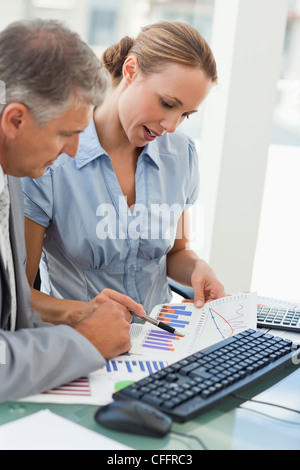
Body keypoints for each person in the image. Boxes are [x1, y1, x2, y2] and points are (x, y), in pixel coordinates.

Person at [22, 20, 225, 327]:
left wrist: (198, 267)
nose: (171, 125)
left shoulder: (182, 154)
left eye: (185, 114)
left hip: (162, 341)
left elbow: (177, 251)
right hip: (82, 344)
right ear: (131, 70)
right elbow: (18, 295)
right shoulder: (51, 159)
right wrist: (83, 311)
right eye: (167, 103)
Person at [0, 18, 146, 403]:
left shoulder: (12, 171)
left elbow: (9, 317)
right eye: (66, 134)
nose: (71, 151)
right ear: (15, 120)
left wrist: (76, 313)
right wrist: (82, 342)